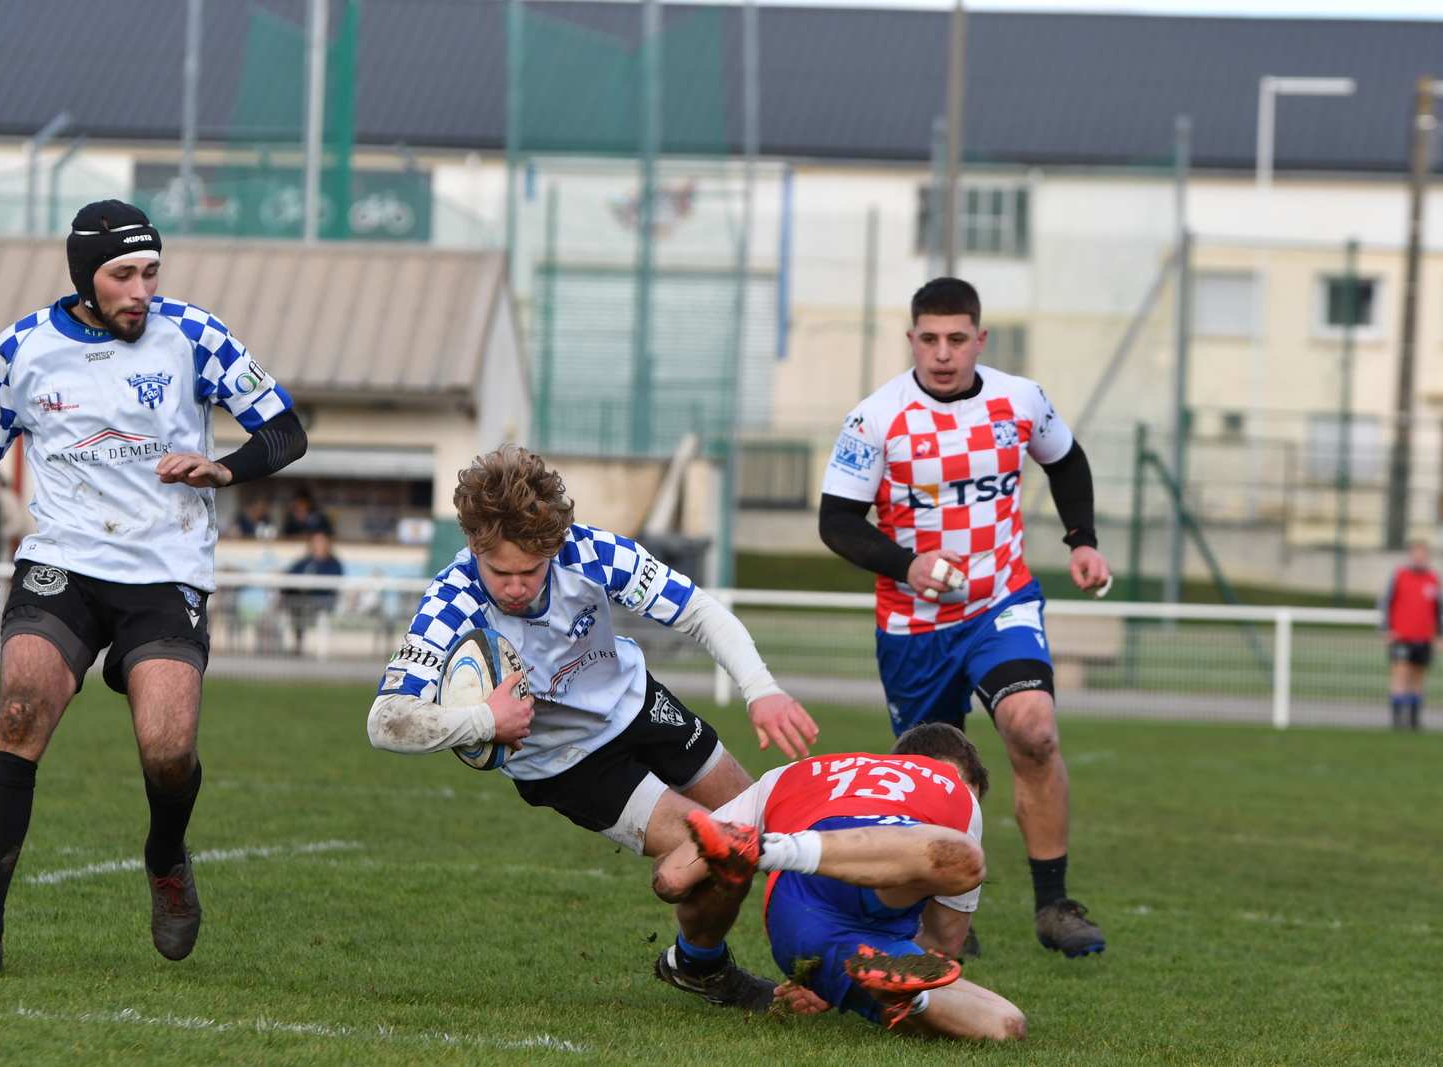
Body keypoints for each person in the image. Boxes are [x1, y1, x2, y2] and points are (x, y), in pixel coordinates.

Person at [0, 200, 309, 977]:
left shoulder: (194, 334)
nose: (142, 290)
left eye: (151, 272)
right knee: (18, 712)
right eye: (123, 275)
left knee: (169, 753)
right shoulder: (21, 347)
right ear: (86, 278)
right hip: (63, 562)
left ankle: (166, 854)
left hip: (165, 570)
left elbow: (284, 430)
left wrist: (223, 468)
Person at [366, 445, 821, 1008]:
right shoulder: (451, 600)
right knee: (725, 853)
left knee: (769, 820)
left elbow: (699, 610)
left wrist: (762, 690)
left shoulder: (590, 552)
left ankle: (830, 959)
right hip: (565, 761)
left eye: (531, 570)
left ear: (554, 547)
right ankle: (703, 967)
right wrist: (485, 719)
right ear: (474, 546)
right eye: (500, 572)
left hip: (636, 703)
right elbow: (386, 719)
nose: (515, 587)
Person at [817, 277, 1109, 958]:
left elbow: (1066, 462)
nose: (943, 353)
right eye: (929, 339)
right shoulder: (875, 419)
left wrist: (1083, 540)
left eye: (956, 338)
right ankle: (943, 909)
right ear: (911, 339)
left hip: (1000, 601)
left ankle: (1054, 905)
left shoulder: (1020, 399)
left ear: (980, 338)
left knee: (1034, 731)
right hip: (914, 625)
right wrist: (908, 563)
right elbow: (837, 522)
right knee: (933, 771)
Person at [651, 722, 1025, 1040]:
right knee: (967, 860)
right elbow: (944, 943)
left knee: (1008, 1024)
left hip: (801, 929)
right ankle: (769, 851)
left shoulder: (797, 772)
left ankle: (906, 996)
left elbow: (672, 879)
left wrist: (828, 987)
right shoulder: (954, 791)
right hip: (829, 894)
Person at [1377, 540, 1443, 731]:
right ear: (1410, 554)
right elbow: (1385, 601)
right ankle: (1397, 719)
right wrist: (1385, 628)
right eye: (1417, 553)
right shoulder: (1399, 574)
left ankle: (1414, 719)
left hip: (1423, 637)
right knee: (1400, 674)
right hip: (1402, 636)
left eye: (1424, 553)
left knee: (1418, 677)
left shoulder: (1433, 578)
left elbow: (1440, 608)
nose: (1420, 557)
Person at [285, 531, 344, 652]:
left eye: (321, 542)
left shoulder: (333, 564)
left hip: (322, 601)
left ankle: (301, 646)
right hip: (300, 601)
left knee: (302, 608)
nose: (319, 545)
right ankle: (297, 643)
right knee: (295, 605)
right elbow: (291, 575)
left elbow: (333, 583)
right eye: (316, 542)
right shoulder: (304, 562)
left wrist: (311, 588)